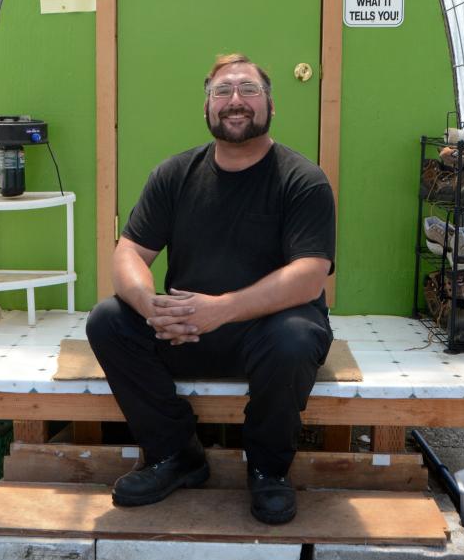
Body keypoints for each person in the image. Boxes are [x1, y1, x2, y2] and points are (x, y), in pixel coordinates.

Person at [86, 53, 335, 524]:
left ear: (270, 105)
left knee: (296, 337)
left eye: (248, 90)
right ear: (206, 107)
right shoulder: (174, 175)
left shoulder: (302, 180)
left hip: (266, 333)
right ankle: (176, 455)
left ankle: (267, 470)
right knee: (109, 320)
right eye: (222, 92)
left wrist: (222, 309)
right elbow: (129, 254)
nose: (235, 101)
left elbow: (310, 274)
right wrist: (151, 305)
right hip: (187, 329)